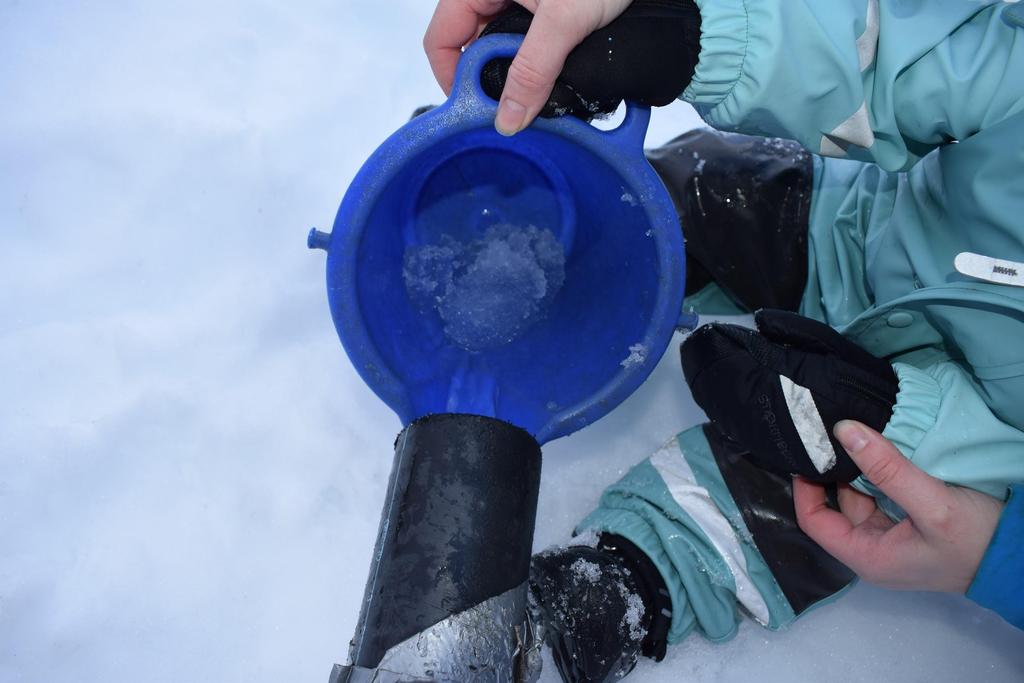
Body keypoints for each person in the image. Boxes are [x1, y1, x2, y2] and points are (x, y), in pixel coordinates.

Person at [425, 1, 1024, 681]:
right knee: (677, 200)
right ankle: (528, 214)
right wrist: (694, 31)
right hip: (868, 234)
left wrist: (997, 545)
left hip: (965, 461)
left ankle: (610, 592)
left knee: (784, 505)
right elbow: (917, 52)